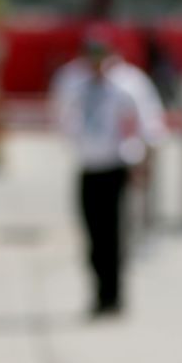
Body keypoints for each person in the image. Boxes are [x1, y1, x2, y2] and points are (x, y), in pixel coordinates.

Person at [51, 36, 147, 316]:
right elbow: (64, 118)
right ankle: (98, 293)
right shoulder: (76, 86)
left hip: (114, 166)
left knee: (114, 233)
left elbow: (139, 127)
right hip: (88, 166)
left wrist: (139, 162)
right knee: (92, 232)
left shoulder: (125, 88)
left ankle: (114, 295)